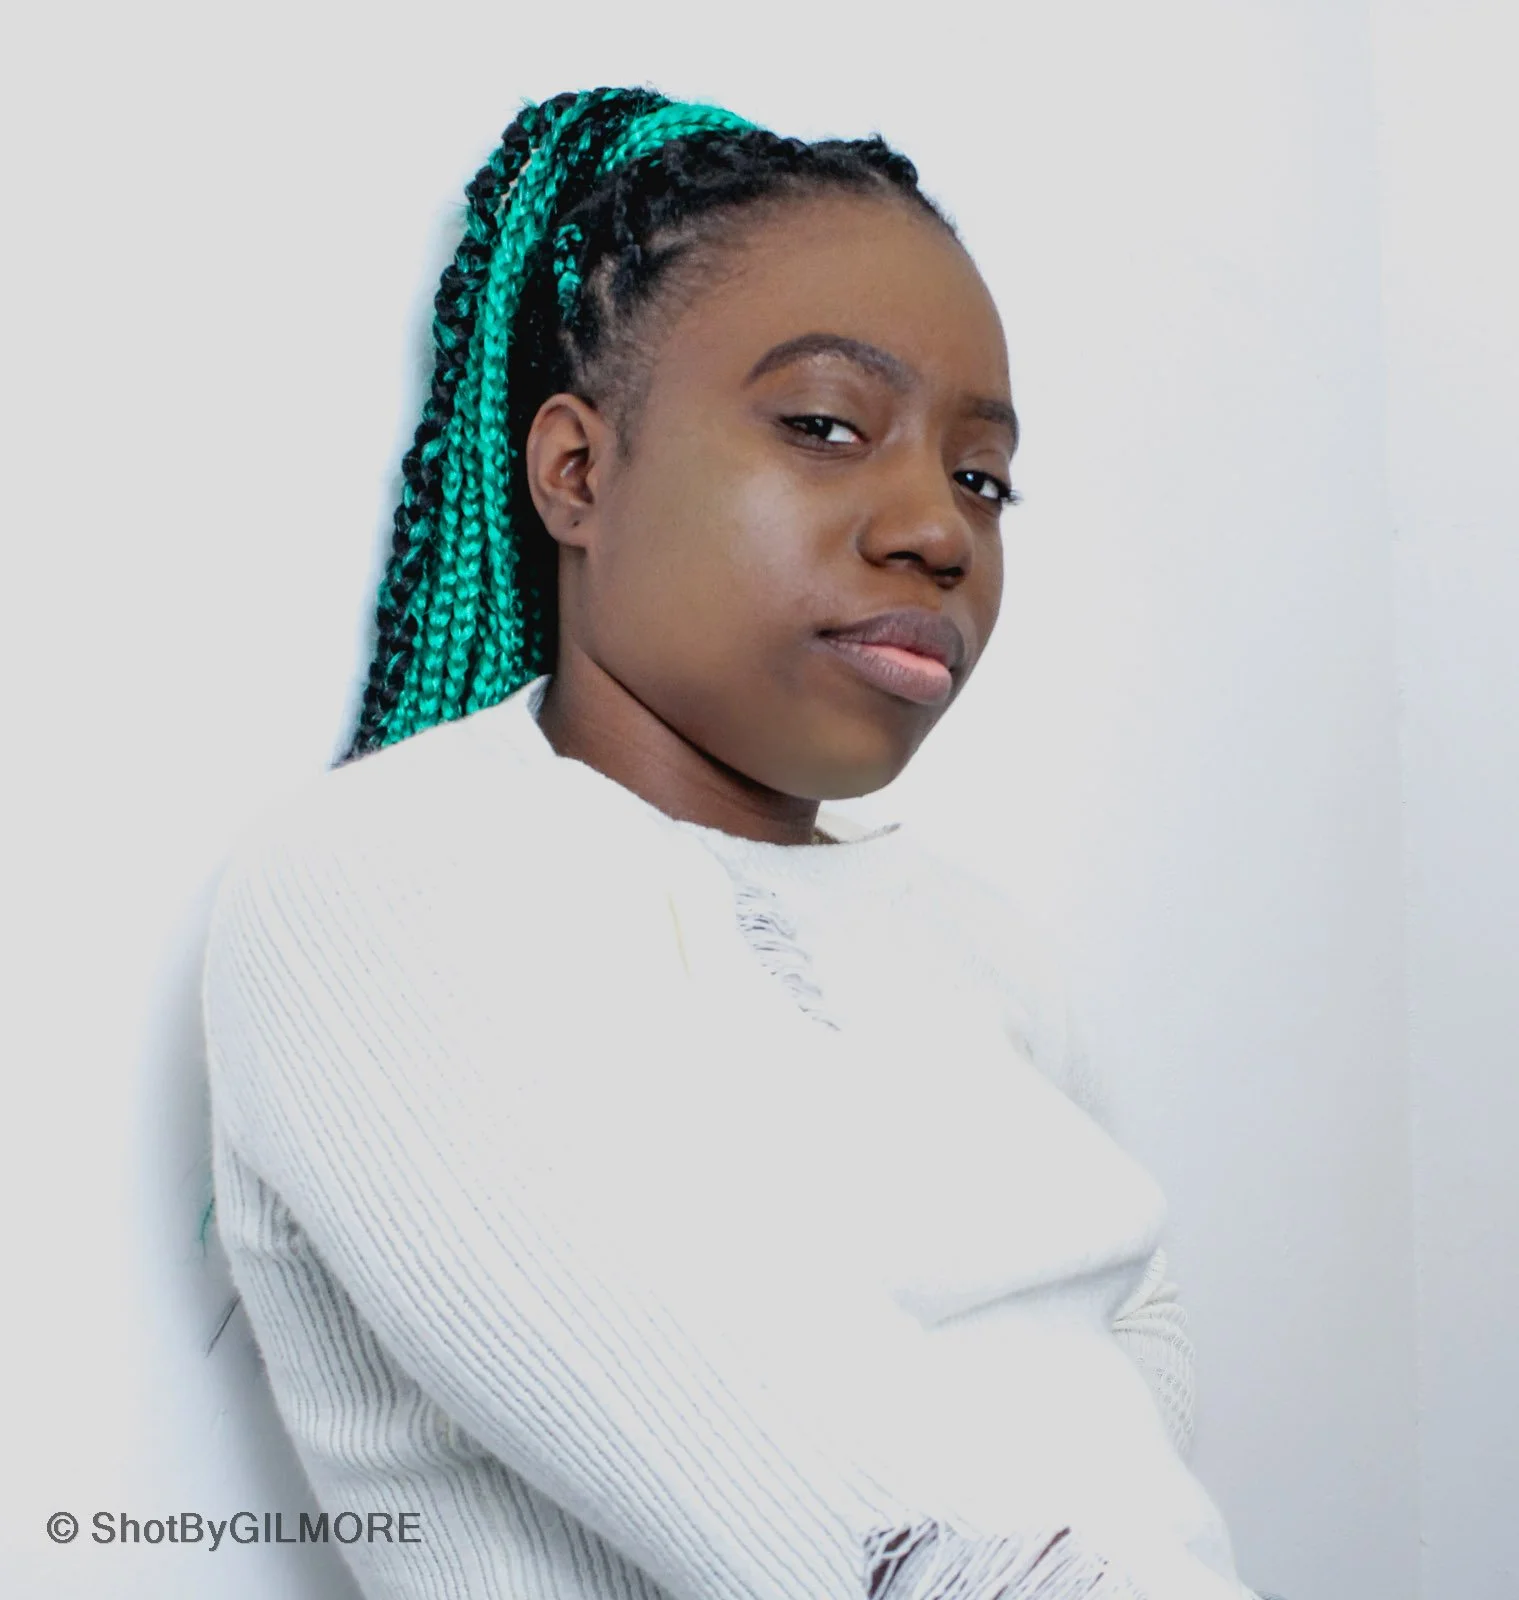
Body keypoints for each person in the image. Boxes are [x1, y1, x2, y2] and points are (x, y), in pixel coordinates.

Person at [200, 87, 1274, 1600]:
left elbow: (1118, 1416)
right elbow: (882, 1548)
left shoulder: (976, 938)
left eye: (980, 476)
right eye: (825, 426)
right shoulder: (387, 885)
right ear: (577, 473)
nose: (939, 531)